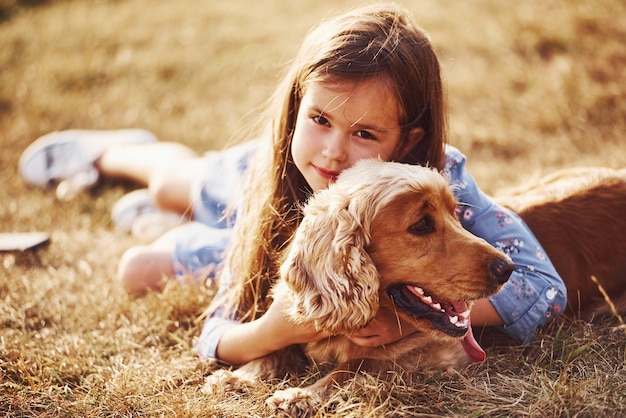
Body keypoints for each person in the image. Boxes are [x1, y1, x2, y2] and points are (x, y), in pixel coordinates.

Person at [18, 4, 566, 365]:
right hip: (247, 196)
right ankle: (118, 152)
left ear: (406, 142)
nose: (332, 151)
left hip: (313, 247)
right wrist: (277, 330)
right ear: (297, 108)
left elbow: (543, 284)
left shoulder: (438, 179)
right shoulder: (280, 172)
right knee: (171, 192)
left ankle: (155, 220)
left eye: (365, 133)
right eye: (320, 119)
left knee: (146, 261)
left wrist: (415, 315)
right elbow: (217, 338)